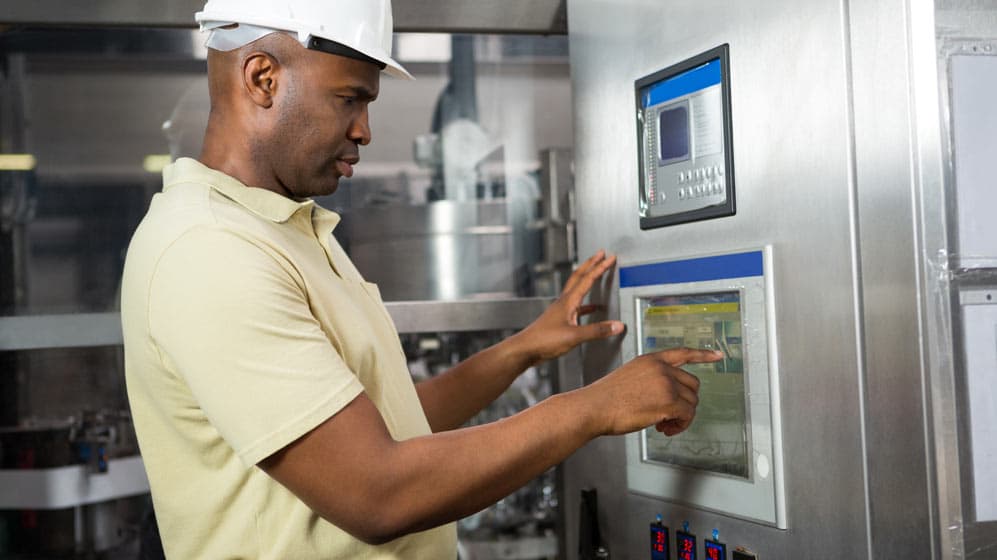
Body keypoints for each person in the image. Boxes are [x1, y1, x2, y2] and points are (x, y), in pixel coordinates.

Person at [120, 1, 721, 558]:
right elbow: (375, 491)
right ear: (262, 79)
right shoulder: (211, 250)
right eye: (349, 99)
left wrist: (526, 347)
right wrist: (594, 408)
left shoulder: (287, 230)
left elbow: (392, 421)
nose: (365, 131)